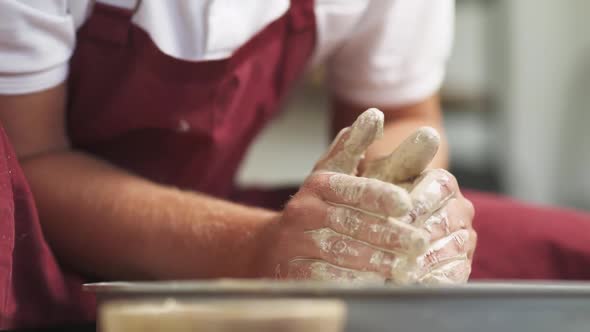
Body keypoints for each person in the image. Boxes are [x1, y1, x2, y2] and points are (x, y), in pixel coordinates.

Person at [0, 0, 589, 329]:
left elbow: (406, 115)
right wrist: (256, 250)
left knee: (568, 249)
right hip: (30, 234)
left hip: (229, 213)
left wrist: (393, 211)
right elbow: (34, 161)